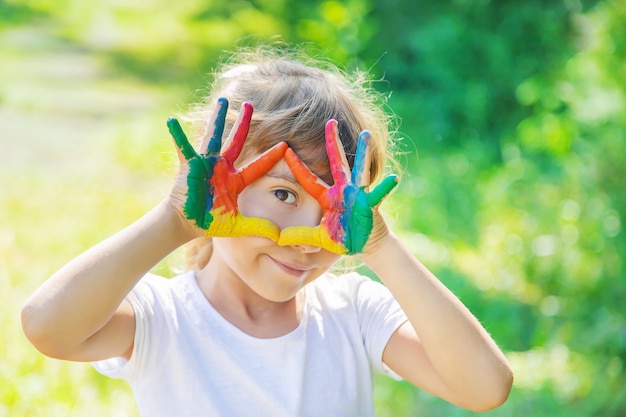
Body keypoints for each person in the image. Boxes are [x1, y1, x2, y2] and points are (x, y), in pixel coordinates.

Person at [21, 46, 513, 416]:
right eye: (283, 194)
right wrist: (173, 222)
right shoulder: (161, 316)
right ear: (217, 183)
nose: (304, 233)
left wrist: (381, 247)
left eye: (331, 207)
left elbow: (484, 388)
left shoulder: (353, 313)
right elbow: (48, 327)